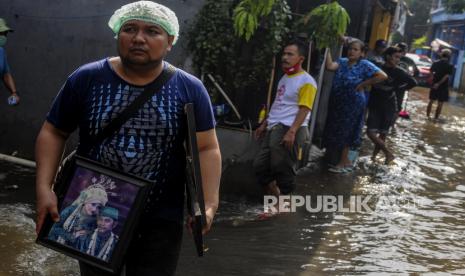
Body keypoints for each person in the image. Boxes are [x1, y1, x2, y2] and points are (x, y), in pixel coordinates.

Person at [35, 1, 221, 275]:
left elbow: (207, 148)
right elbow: (54, 131)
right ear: (117, 34)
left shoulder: (189, 89)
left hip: (161, 218)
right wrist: (44, 188)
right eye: (130, 29)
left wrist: (208, 205)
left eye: (152, 31)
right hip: (95, 210)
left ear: (169, 41)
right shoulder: (87, 79)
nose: (138, 38)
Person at [253, 40, 317, 197]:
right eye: (284, 54)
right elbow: (278, 104)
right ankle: (277, 198)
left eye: (290, 54)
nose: (285, 57)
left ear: (300, 59)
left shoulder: (307, 81)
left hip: (290, 128)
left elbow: (305, 108)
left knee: (282, 167)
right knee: (260, 166)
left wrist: (292, 131)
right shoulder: (284, 78)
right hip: (274, 126)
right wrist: (265, 123)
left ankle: (285, 203)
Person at [323, 39, 387, 173]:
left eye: (355, 49)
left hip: (353, 103)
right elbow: (329, 66)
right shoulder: (342, 62)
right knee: (337, 128)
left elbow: (382, 76)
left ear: (362, 53)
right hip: (338, 101)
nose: (351, 51)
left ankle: (342, 162)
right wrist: (327, 47)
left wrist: (364, 84)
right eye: (350, 48)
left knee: (347, 130)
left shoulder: (364, 64)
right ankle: (345, 161)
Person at [366, 46, 417, 164]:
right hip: (374, 103)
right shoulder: (378, 67)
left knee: (383, 134)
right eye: (396, 57)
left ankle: (374, 158)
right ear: (388, 56)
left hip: (389, 105)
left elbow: (413, 82)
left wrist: (398, 88)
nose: (398, 60)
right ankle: (388, 153)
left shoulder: (400, 72)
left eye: (399, 58)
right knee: (370, 132)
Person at [427, 48, 454, 120]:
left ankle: (427, 117)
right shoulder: (450, 65)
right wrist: (438, 84)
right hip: (443, 86)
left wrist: (434, 81)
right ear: (449, 56)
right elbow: (446, 76)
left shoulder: (435, 63)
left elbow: (431, 72)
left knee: (431, 101)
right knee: (440, 103)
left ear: (441, 54)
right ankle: (436, 118)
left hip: (434, 84)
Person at [0, 18, 19, 104]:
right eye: (2, 33)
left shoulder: (1, 52)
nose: (4, 37)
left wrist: (14, 92)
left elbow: (6, 74)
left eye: (5, 34)